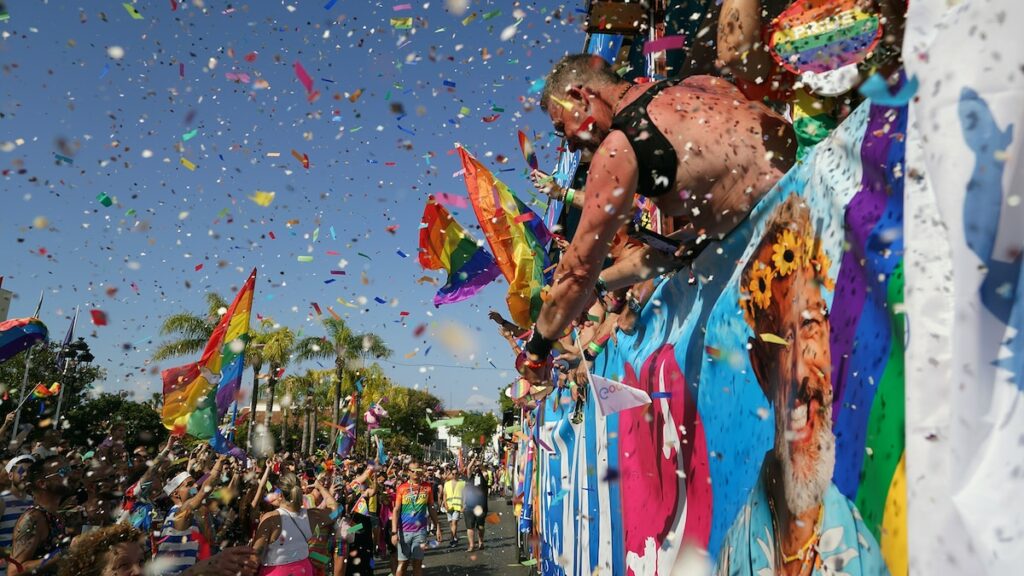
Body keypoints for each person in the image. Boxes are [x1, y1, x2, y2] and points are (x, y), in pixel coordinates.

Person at [519, 53, 795, 389]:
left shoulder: (618, 150)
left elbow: (576, 273)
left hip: (788, 254)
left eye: (563, 127)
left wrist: (535, 352)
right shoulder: (698, 84)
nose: (571, 143)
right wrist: (603, 282)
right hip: (824, 198)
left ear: (579, 95)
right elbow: (722, 215)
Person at [716, 195, 887, 575]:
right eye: (779, 340)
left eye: (809, 325)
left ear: (829, 339)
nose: (797, 372)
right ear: (760, 369)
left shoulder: (866, 557)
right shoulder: (736, 551)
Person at [154, 455, 228, 575]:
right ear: (175, 493)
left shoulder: (190, 514)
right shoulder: (178, 513)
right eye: (189, 485)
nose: (195, 487)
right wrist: (219, 464)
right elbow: (205, 490)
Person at [252, 472, 333, 576]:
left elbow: (254, 558)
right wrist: (321, 488)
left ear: (280, 495)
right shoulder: (312, 515)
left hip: (277, 572)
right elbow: (336, 510)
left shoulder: (271, 518)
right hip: (304, 570)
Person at [7, 454, 72, 575]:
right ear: (42, 483)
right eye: (62, 472)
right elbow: (14, 571)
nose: (69, 475)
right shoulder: (33, 518)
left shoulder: (55, 515)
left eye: (69, 470)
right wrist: (62, 555)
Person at [390, 465, 441, 576]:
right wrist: (394, 532)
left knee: (417, 563)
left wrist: (438, 527)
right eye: (413, 471)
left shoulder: (427, 487)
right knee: (403, 563)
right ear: (409, 472)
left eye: (418, 470)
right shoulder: (402, 488)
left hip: (420, 531)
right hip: (404, 531)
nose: (416, 473)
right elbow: (396, 510)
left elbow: (431, 508)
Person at [0, 455, 34, 569]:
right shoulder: (2, 501)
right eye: (20, 471)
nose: (25, 475)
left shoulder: (34, 501)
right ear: (10, 475)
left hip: (24, 568)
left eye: (29, 472)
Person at [462, 465, 489, 552]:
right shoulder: (470, 476)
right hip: (469, 506)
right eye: (475, 467)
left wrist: (480, 465)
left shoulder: (484, 476)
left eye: (477, 468)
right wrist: (473, 460)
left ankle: (481, 542)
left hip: (481, 506)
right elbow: (469, 468)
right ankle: (471, 545)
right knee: (470, 527)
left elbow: (485, 472)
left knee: (480, 526)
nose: (476, 468)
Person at [439, 470, 464, 549]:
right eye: (453, 474)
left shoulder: (462, 483)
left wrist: (463, 505)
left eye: (456, 473)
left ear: (458, 474)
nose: (454, 475)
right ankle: (455, 536)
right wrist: (445, 504)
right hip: (449, 506)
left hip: (457, 506)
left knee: (454, 522)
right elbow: (444, 495)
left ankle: (452, 539)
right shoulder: (447, 484)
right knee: (451, 523)